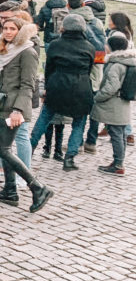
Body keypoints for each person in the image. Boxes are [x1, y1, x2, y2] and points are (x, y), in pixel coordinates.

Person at [0, 18, 54, 211]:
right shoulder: (5, 50)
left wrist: (18, 111)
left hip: (14, 106)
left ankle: (37, 187)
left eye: (12, 29)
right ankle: (10, 190)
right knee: (1, 148)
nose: (7, 32)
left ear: (20, 31)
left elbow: (28, 85)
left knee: (4, 149)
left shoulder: (27, 52)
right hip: (0, 103)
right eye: (5, 28)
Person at [30, 14, 95, 171]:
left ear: (64, 27)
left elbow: (49, 68)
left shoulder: (55, 45)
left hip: (57, 84)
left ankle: (29, 149)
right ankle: (70, 158)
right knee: (79, 123)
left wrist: (47, 85)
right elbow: (89, 69)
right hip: (81, 87)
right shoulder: (89, 47)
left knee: (44, 118)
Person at [89, 32, 133, 175]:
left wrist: (98, 97)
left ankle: (118, 165)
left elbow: (111, 87)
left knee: (116, 134)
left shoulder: (115, 65)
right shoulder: (128, 61)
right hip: (123, 103)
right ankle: (118, 161)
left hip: (114, 104)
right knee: (120, 134)